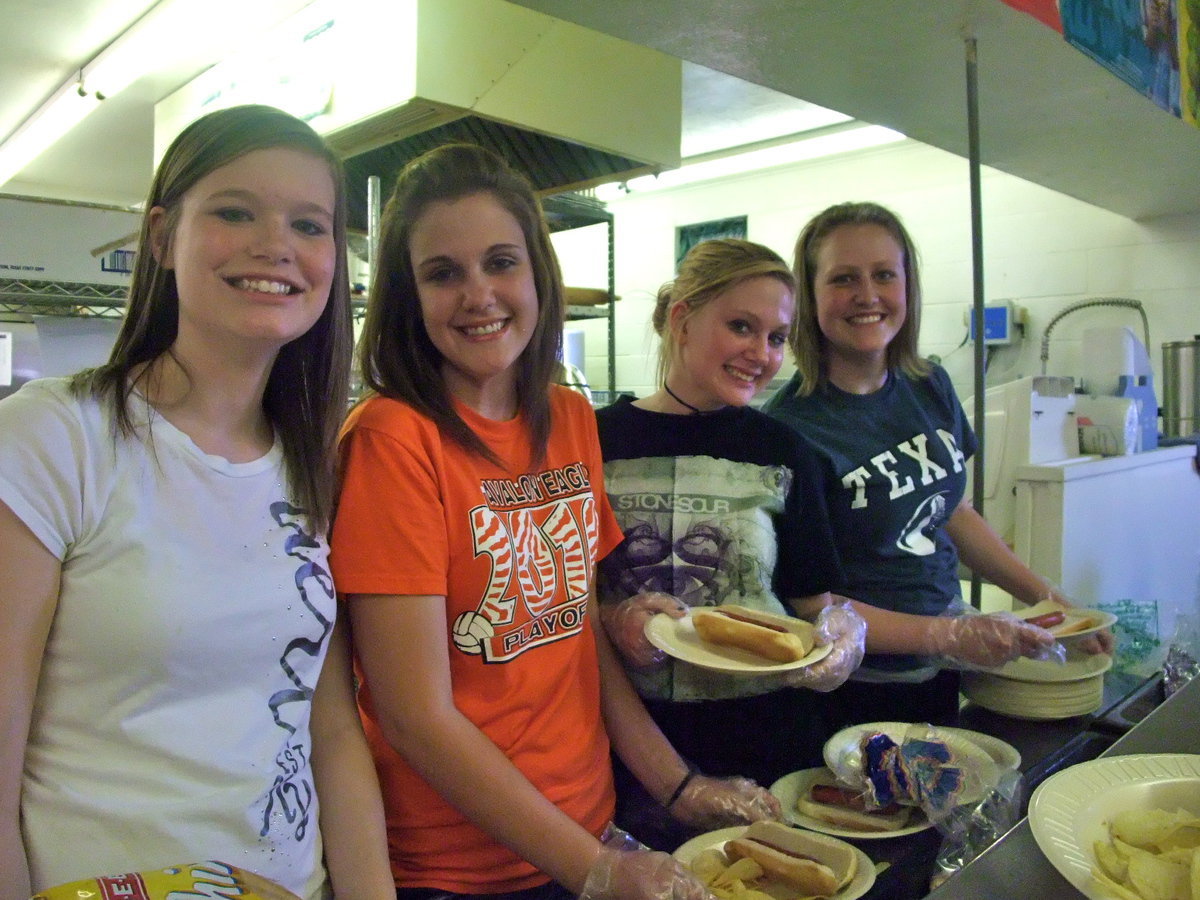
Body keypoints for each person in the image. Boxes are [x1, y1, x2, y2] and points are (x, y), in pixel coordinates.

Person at [329, 143, 776, 900]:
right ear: (410, 296)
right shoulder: (390, 440)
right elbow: (414, 716)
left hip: (586, 822)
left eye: (500, 262)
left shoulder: (567, 417)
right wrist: (596, 871)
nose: (478, 294)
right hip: (457, 868)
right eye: (443, 273)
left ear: (537, 272)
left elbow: (577, 634)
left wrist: (675, 786)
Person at [0, 105, 393, 900]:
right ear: (160, 237)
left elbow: (328, 728)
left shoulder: (312, 465)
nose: (276, 244)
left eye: (310, 225)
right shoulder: (54, 436)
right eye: (234, 211)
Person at [763, 201, 1114, 729]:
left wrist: (1056, 605)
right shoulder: (788, 431)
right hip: (850, 689)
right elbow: (811, 605)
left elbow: (953, 512)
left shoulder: (930, 386)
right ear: (810, 297)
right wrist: (948, 635)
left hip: (942, 672)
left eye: (885, 274)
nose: (868, 295)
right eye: (843, 279)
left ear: (909, 286)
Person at [594, 238, 866, 851]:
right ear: (681, 318)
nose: (761, 355)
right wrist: (613, 620)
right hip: (634, 752)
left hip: (768, 740)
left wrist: (840, 635)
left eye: (776, 338)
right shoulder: (590, 438)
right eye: (741, 326)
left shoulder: (785, 449)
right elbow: (568, 604)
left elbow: (811, 602)